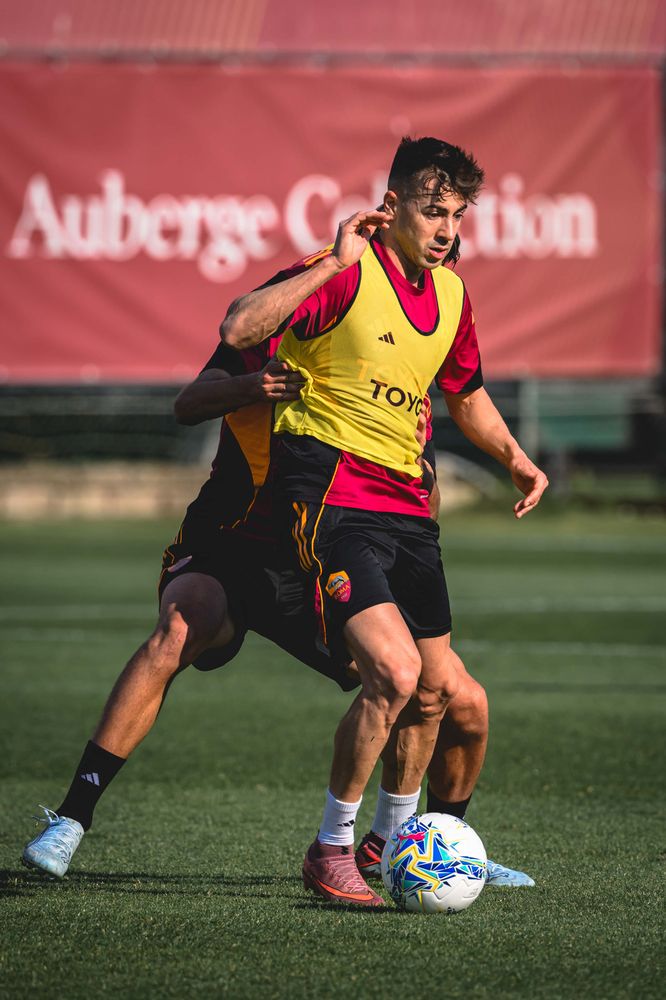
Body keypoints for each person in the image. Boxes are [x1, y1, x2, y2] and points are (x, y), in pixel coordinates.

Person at [21, 335, 531, 888]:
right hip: (232, 544)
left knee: (456, 697)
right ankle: (70, 818)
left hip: (318, 558)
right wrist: (253, 386)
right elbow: (189, 404)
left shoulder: (388, 376)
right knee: (178, 628)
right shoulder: (277, 331)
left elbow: (420, 497)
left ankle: (436, 850)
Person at [220, 136, 548, 905]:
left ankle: (392, 844)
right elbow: (238, 329)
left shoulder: (455, 295)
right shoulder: (347, 272)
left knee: (440, 694)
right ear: (392, 204)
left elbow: (464, 395)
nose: (446, 228)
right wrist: (332, 262)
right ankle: (330, 849)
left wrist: (515, 457)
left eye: (458, 214)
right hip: (332, 502)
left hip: (409, 511)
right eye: (434, 211)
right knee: (395, 674)